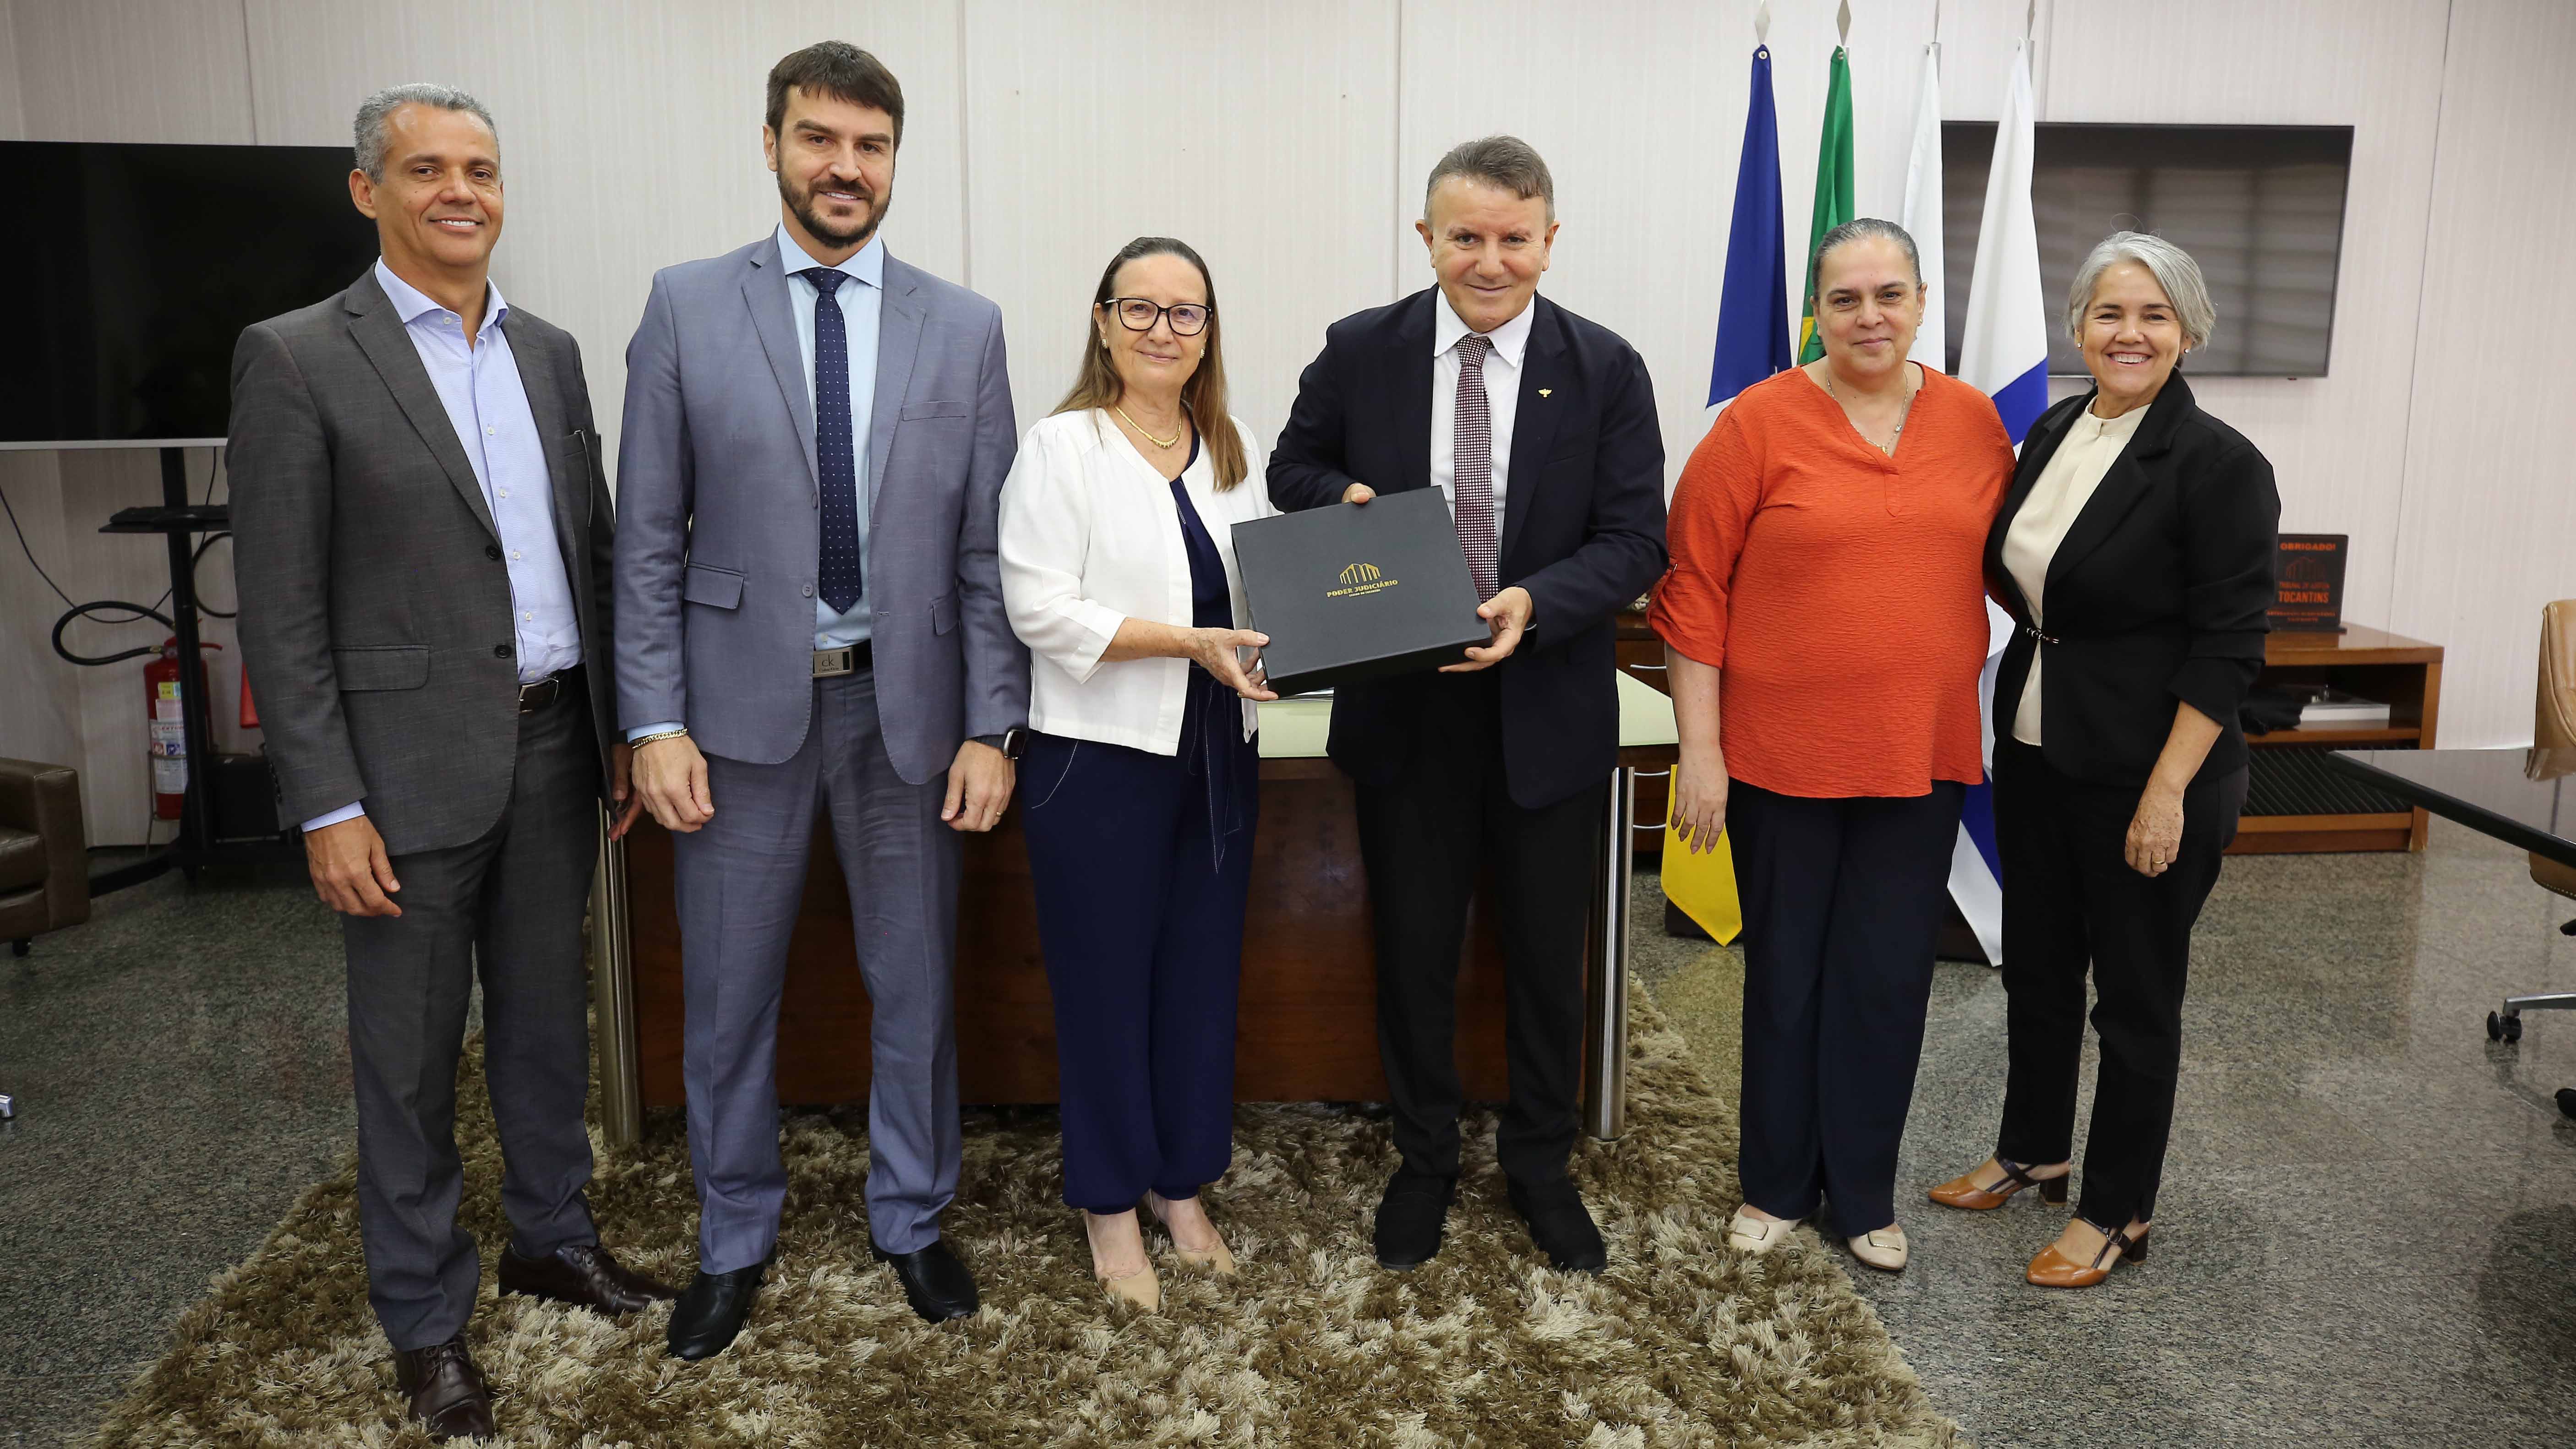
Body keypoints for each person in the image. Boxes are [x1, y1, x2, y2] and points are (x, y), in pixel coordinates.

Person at [230, 85, 671, 1442]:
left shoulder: (547, 350)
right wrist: (328, 802)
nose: (460, 191)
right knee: (410, 1065)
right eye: (427, 170)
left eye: (480, 168)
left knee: (548, 1028)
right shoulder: (299, 355)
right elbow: (283, 604)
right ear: (370, 192)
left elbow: (589, 551)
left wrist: (614, 737)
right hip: (400, 773)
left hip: (552, 747)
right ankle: (426, 1320)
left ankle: (552, 1234)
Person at [615, 41, 1027, 1355]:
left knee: (912, 987)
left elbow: (985, 550)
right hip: (733, 723)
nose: (845, 167)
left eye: (870, 144)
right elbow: (649, 542)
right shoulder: (686, 305)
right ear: (775, 144)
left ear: (896, 158)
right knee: (729, 996)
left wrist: (989, 721)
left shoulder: (962, 326)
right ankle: (733, 1235)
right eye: (820, 140)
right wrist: (652, 721)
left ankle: (911, 1216)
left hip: (905, 718)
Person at [1270, 136, 1666, 1275]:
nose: (1489, 261)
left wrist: (1534, 604)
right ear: (1426, 236)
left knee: (1548, 958)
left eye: (1513, 238)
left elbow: (1637, 537)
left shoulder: (1606, 368)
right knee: (1413, 947)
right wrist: (1345, 498)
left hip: (1546, 701)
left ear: (1549, 238)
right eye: (1466, 237)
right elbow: (1289, 471)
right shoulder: (1363, 350)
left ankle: (1541, 1166)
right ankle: (1424, 1160)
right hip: (1405, 709)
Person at [1654, 218, 2013, 1275]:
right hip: (1778, 758)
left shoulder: (1974, 421)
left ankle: (1861, 1191)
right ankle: (1773, 1183)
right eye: (1846, 298)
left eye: (1889, 295)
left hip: (1921, 754)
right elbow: (1691, 596)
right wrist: (1702, 754)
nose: (1869, 316)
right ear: (1817, 308)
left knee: (1886, 980)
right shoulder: (1757, 424)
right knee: (1788, 976)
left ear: (1919, 300)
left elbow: (2012, 568)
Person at [1928, 232, 2277, 1289]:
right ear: (2078, 326)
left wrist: (2166, 792)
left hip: (2148, 773)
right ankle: (2034, 1146)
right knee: (2035, 968)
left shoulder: (2219, 466)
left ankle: (2118, 1209)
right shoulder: (2052, 428)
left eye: (2154, 315)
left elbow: (2229, 651)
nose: (2129, 334)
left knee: (2132, 1001)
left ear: (2189, 329)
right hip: (2036, 750)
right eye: (2109, 314)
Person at [999, 237, 1276, 1312]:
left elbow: (1263, 597)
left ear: (1209, 332)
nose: (1164, 330)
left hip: (1216, 752)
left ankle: (1180, 1184)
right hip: (1095, 760)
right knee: (1106, 985)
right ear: (1104, 321)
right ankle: (1109, 1205)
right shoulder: (1060, 447)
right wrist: (1183, 640)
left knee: (1201, 977)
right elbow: (1040, 609)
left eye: (1186, 313)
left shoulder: (1229, 446)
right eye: (1142, 309)